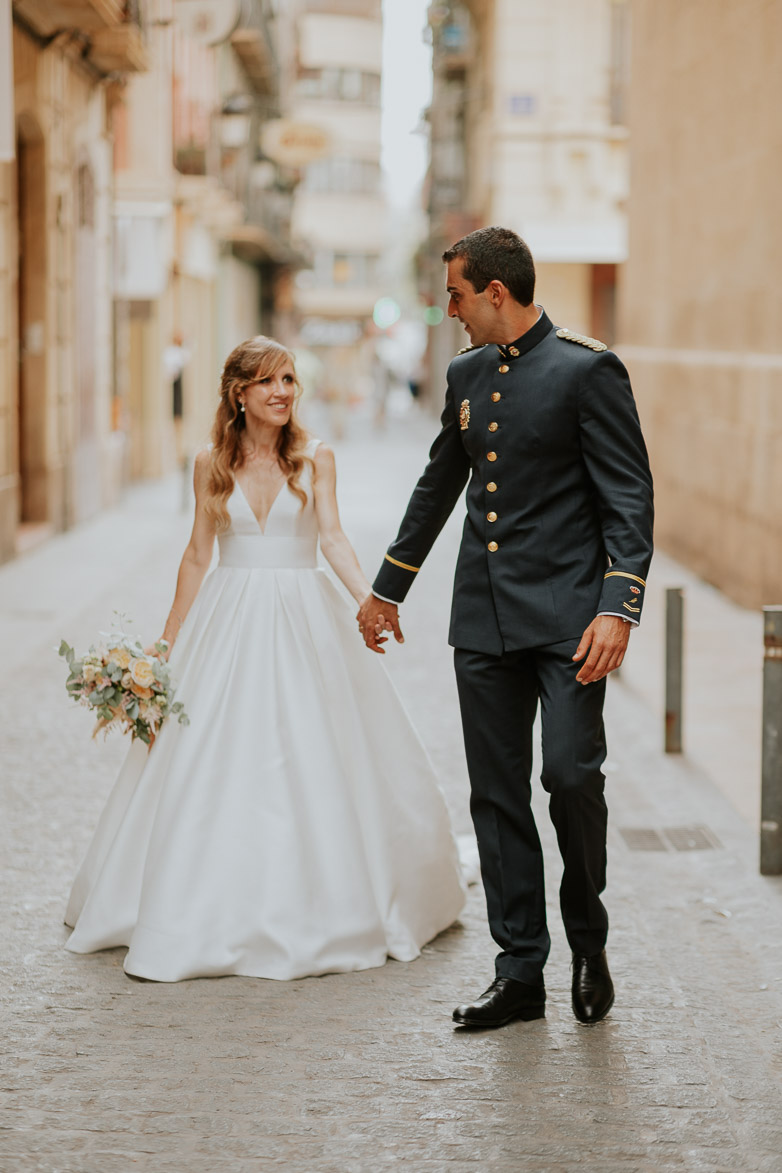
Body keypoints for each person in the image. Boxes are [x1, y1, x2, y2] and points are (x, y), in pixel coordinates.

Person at [65, 336, 465, 982]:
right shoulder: (209, 463)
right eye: (267, 380)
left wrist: (371, 601)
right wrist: (166, 646)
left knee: (315, 749)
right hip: (227, 618)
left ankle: (321, 898)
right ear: (238, 393)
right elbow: (198, 555)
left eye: (289, 379)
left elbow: (332, 535)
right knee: (208, 758)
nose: (282, 391)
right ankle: (197, 899)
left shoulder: (315, 458)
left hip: (305, 617)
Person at [358, 227, 654, 1028]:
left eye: (455, 295)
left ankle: (587, 943)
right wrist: (388, 589)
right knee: (496, 797)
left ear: (496, 292)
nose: (448, 310)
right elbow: (436, 487)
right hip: (484, 620)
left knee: (568, 777)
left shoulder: (588, 370)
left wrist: (616, 606)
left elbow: (629, 500)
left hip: (569, 625)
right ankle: (521, 968)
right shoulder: (464, 374)